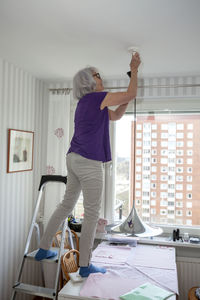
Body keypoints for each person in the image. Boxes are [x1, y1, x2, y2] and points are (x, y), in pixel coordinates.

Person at [35, 52, 141, 277]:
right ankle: (85, 266)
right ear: (89, 82)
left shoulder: (87, 103)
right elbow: (131, 92)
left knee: (66, 205)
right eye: (97, 74)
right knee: (92, 213)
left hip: (73, 158)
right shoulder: (96, 98)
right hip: (88, 161)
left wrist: (126, 100)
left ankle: (43, 249)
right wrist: (135, 69)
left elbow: (116, 116)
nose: (100, 77)